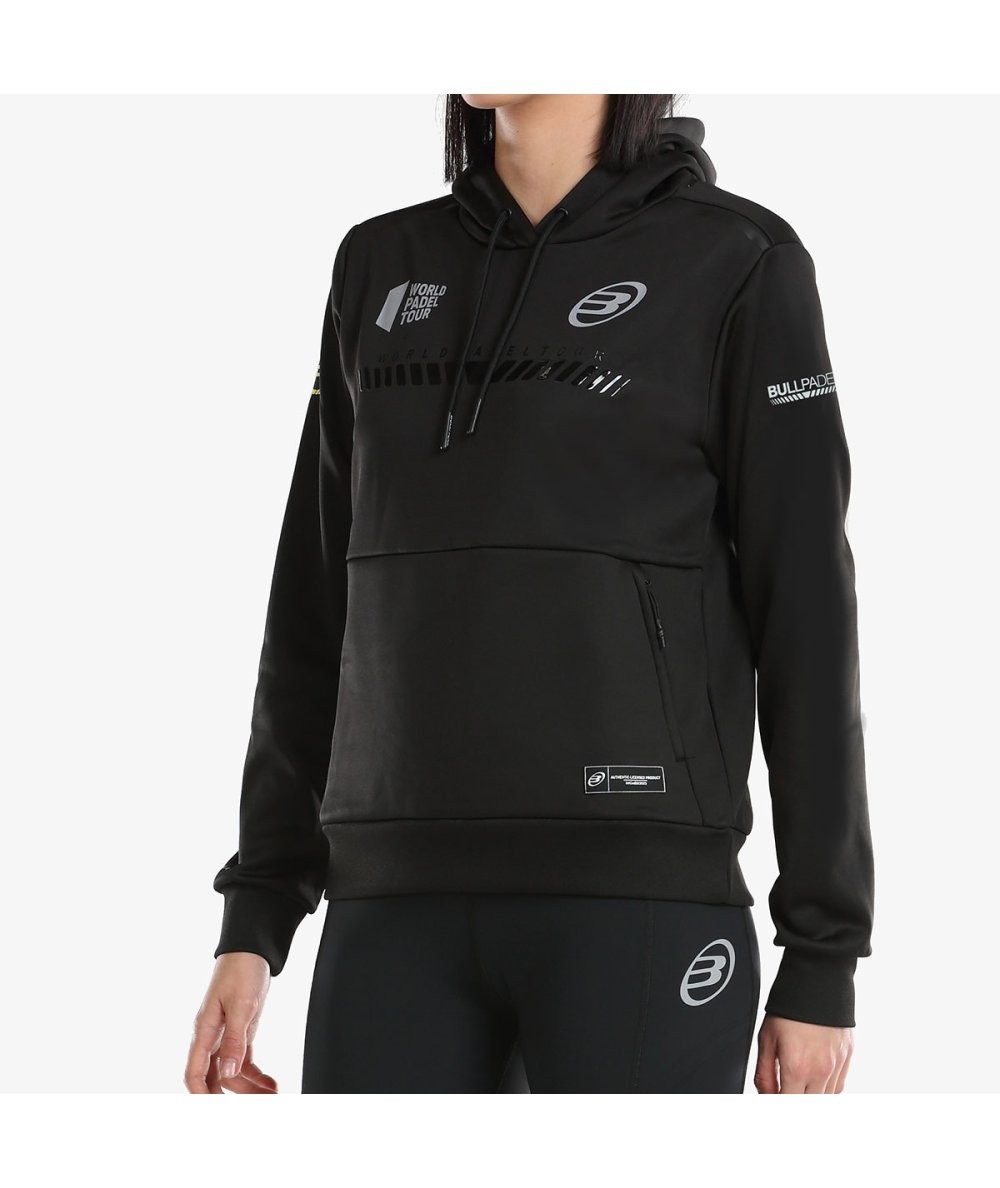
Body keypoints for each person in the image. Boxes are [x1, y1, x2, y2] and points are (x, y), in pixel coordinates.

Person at [185, 94, 875, 1094]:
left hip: (639, 905)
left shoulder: (738, 262)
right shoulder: (378, 263)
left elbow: (807, 612)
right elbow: (314, 601)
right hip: (391, 909)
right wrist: (256, 916)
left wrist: (821, 951)